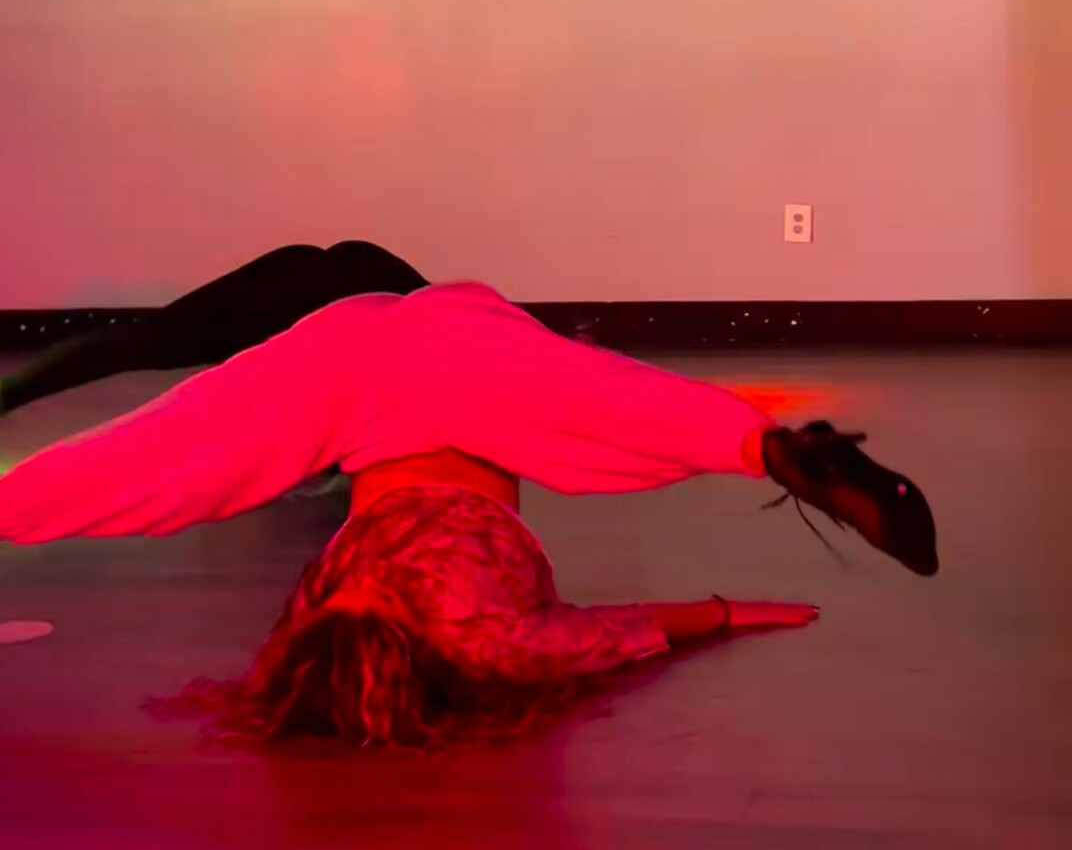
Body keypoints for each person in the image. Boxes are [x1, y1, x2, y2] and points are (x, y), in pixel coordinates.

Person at [0, 279, 938, 749]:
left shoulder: (492, 644)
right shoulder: (318, 614)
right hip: (348, 369)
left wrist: (736, 611)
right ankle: (768, 448)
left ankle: (764, 449)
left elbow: (624, 629)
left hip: (471, 375)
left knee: (610, 406)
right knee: (163, 455)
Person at [0, 241, 429, 416]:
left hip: (325, 291)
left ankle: (14, 392)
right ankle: (13, 392)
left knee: (146, 341)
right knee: (147, 342)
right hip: (302, 293)